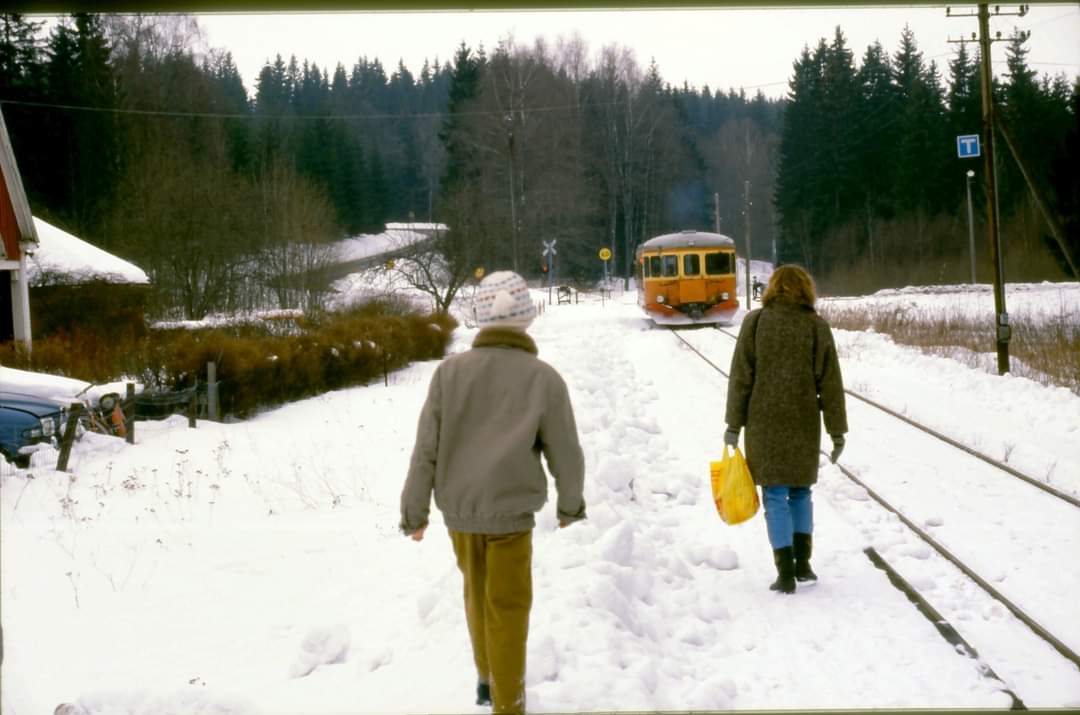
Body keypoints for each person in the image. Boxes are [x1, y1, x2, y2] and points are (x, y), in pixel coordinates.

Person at [400, 270, 587, 714]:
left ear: (481, 317)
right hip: (511, 516)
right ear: (527, 318)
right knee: (508, 607)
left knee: (476, 594)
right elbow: (566, 451)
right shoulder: (543, 379)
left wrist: (415, 511)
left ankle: (486, 679)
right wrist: (570, 505)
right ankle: (509, 702)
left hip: (460, 513)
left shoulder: (449, 373)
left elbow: (426, 446)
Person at [723, 264, 847, 594]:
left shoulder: (755, 323)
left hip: (763, 421)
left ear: (773, 288)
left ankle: (785, 572)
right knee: (801, 491)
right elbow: (830, 383)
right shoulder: (816, 326)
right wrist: (837, 431)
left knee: (775, 495)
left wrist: (733, 425)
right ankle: (804, 564)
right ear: (806, 289)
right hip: (804, 420)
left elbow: (741, 379)